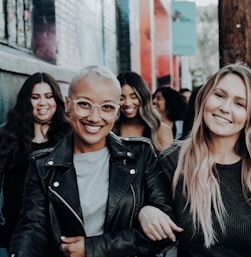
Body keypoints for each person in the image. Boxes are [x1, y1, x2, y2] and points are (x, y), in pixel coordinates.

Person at [9, 65, 177, 257]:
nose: (94, 117)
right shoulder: (42, 165)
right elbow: (32, 229)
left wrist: (92, 248)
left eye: (106, 107)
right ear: (68, 104)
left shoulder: (141, 155)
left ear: (116, 112)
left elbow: (166, 230)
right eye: (84, 104)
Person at [139, 63, 251, 256]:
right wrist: (144, 212)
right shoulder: (173, 161)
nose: (225, 108)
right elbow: (143, 222)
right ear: (205, 97)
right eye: (219, 95)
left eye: (240, 103)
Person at [0, 72, 71, 257]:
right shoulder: (7, 136)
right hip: (14, 229)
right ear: (26, 100)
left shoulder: (69, 138)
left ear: (57, 100)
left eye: (48, 97)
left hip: (59, 233)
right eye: (35, 97)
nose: (42, 103)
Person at [113, 71, 173, 153]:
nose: (127, 103)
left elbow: (168, 164)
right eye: (121, 98)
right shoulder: (111, 128)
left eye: (134, 97)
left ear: (143, 97)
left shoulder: (160, 129)